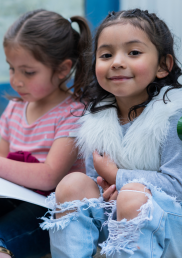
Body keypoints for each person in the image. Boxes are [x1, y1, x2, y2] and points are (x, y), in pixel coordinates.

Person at [41, 9, 182, 258]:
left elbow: (178, 186)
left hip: (177, 226)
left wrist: (118, 177)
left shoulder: (173, 115)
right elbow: (98, 181)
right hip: (119, 220)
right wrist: (107, 187)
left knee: (132, 195)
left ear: (162, 65)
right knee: (73, 184)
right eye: (106, 54)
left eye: (133, 52)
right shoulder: (97, 121)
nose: (116, 61)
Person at [0, 9, 91, 258]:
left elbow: (49, 177)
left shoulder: (73, 114)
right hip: (12, 199)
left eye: (28, 72)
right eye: (11, 68)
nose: (16, 81)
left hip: (48, 210)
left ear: (62, 69)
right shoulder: (15, 108)